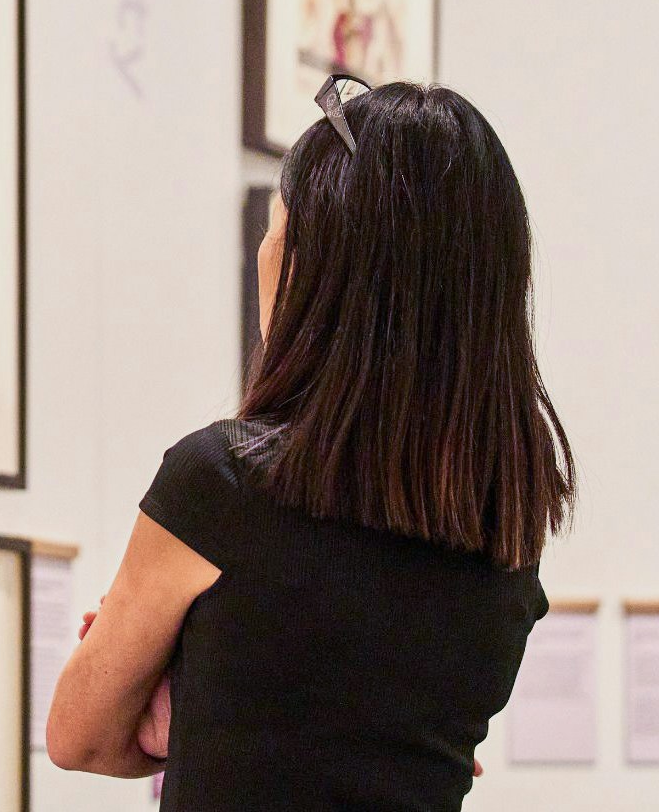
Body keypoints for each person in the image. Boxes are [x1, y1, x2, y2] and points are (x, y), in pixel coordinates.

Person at [46, 79, 575, 810]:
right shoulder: (505, 533)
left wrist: (188, 704)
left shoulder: (221, 486)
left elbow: (80, 738)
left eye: (276, 232)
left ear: (314, 269)